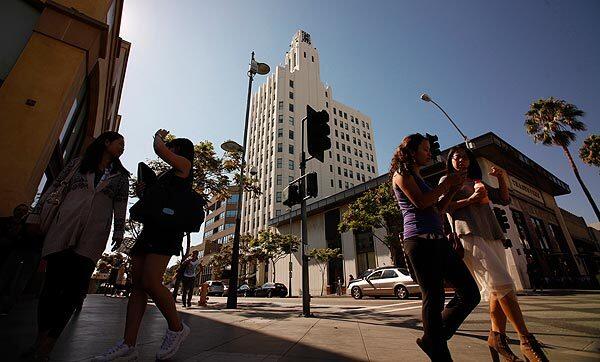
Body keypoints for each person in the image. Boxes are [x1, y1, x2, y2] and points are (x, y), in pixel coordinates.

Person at [24, 131, 129, 361]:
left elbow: (121, 204)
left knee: (72, 292)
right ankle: (40, 338)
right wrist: (35, 214)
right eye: (120, 143)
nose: (123, 148)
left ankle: (48, 345)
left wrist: (119, 232)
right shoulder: (78, 164)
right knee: (51, 288)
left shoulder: (121, 176)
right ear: (106, 142)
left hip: (93, 235)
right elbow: (54, 188)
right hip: (64, 226)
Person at [94, 129, 194, 361]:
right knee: (137, 285)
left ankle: (177, 328)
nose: (170, 150)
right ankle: (128, 344)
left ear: (179, 150)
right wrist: (144, 193)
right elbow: (155, 202)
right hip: (150, 229)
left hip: (167, 232)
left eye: (173, 147)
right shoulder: (166, 177)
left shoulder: (184, 166)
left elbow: (160, 149)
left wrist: (158, 137)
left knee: (150, 281)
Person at [443, 145, 548, 361]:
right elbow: (444, 207)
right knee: (503, 284)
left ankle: (496, 337)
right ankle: (526, 340)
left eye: (465, 157)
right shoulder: (447, 182)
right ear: (450, 161)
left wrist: (501, 179)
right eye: (456, 157)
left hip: (492, 233)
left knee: (496, 289)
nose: (461, 160)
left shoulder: (477, 182)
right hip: (469, 234)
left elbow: (504, 199)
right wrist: (470, 200)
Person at [390, 133, 480, 361]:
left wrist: (451, 189)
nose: (429, 153)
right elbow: (420, 202)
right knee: (434, 296)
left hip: (438, 240)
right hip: (419, 241)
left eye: (430, 149)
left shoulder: (419, 177)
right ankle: (439, 350)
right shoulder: (402, 174)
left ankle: (434, 337)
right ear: (411, 152)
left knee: (470, 293)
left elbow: (437, 209)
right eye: (425, 149)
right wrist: (447, 182)